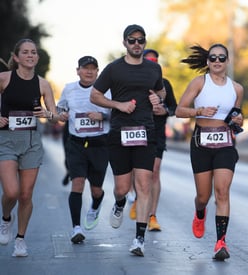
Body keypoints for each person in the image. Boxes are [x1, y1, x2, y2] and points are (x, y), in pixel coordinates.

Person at [90, 24, 166, 257]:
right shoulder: (114, 69)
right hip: (119, 132)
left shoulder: (154, 69)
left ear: (144, 42)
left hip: (146, 132)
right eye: (131, 40)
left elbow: (161, 92)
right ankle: (119, 203)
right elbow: (95, 95)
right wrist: (118, 105)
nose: (136, 44)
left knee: (144, 184)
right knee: (122, 187)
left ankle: (139, 240)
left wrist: (157, 100)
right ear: (124, 43)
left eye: (140, 40)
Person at [175, 44, 244, 261]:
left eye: (221, 58)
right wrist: (198, 111)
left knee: (222, 191)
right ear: (207, 61)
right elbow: (178, 110)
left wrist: (238, 120)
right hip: (201, 143)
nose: (217, 61)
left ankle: (221, 242)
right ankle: (200, 212)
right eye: (213, 57)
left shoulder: (237, 89)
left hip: (225, 143)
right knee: (204, 196)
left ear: (227, 61)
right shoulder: (199, 82)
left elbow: (236, 115)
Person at [0, 38, 63, 257]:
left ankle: (20, 239)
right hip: (6, 140)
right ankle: (6, 219)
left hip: (31, 142)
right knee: (11, 192)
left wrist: (48, 115)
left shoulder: (43, 84)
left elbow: (56, 117)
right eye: (25, 52)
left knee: (26, 195)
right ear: (16, 57)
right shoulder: (4, 78)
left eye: (33, 52)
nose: (30, 55)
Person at [57, 56, 111, 244]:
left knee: (96, 190)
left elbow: (116, 112)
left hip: (99, 145)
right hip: (77, 144)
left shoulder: (106, 90)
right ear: (78, 70)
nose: (89, 72)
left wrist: (102, 116)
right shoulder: (69, 88)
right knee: (77, 184)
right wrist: (61, 114)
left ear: (98, 71)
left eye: (93, 68)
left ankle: (95, 205)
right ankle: (76, 228)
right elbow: (60, 107)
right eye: (85, 68)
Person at [129, 49, 177, 232]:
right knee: (137, 173)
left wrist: (164, 110)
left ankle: (152, 215)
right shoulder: (132, 82)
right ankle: (138, 199)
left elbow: (174, 107)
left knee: (154, 173)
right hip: (136, 133)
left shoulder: (164, 84)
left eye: (155, 61)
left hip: (156, 135)